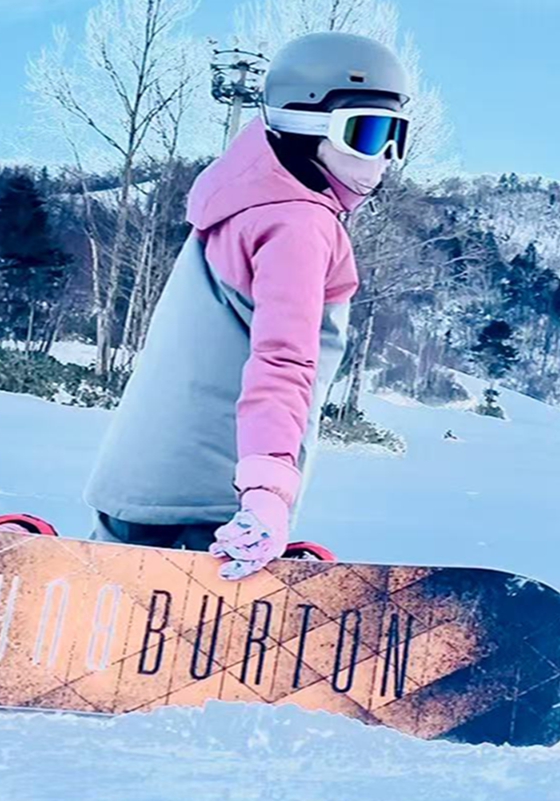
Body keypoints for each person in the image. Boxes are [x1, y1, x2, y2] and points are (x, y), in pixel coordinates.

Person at [81, 32, 412, 579]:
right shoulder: (300, 222)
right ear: (307, 125)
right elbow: (283, 361)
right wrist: (266, 494)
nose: (384, 158)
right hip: (215, 499)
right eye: (368, 133)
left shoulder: (241, 197)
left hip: (135, 477)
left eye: (395, 135)